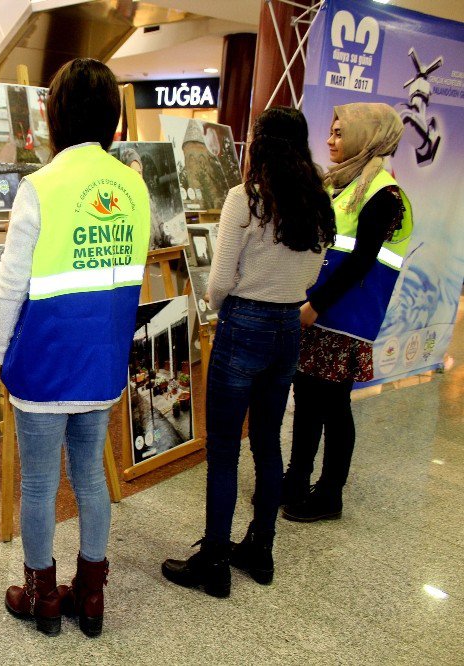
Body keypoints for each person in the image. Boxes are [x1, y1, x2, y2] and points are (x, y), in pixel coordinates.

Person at [0, 58, 150, 637]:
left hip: (47, 362)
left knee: (38, 484)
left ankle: (42, 598)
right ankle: (91, 595)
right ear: (113, 117)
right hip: (102, 361)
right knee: (91, 479)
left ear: (54, 115)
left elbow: (11, 282)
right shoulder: (133, 187)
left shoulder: (41, 187)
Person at [161, 107, 336, 597]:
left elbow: (217, 284)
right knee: (266, 442)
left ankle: (214, 560)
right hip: (287, 328)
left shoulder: (247, 199)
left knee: (222, 448)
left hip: (244, 325)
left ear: (259, 144)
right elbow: (311, 277)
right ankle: (261, 548)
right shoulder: (318, 204)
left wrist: (227, 303)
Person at [282, 103, 412, 522]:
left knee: (334, 406)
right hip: (319, 314)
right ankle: (297, 478)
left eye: (339, 133)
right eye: (331, 131)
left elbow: (361, 262)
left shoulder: (384, 194)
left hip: (342, 319)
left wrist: (314, 306)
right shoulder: (340, 184)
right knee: (306, 398)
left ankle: (329, 494)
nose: (330, 140)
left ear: (366, 136)